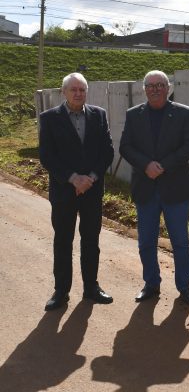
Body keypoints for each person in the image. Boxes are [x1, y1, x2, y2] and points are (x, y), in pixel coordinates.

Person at [119, 70, 189, 305]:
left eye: (160, 85)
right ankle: (151, 284)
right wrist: (146, 165)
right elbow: (125, 147)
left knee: (180, 242)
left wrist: (163, 166)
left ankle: (184, 286)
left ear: (168, 88)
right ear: (144, 89)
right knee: (146, 242)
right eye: (150, 85)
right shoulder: (133, 115)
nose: (155, 89)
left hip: (176, 188)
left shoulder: (183, 113)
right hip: (146, 188)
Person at [39, 72, 115, 311]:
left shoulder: (99, 115)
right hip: (64, 190)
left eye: (82, 89)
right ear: (64, 92)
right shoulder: (49, 118)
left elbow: (107, 151)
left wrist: (90, 178)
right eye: (73, 89)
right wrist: (73, 179)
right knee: (63, 240)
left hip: (92, 190)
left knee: (91, 240)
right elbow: (47, 156)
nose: (78, 93)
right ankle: (61, 291)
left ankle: (91, 287)